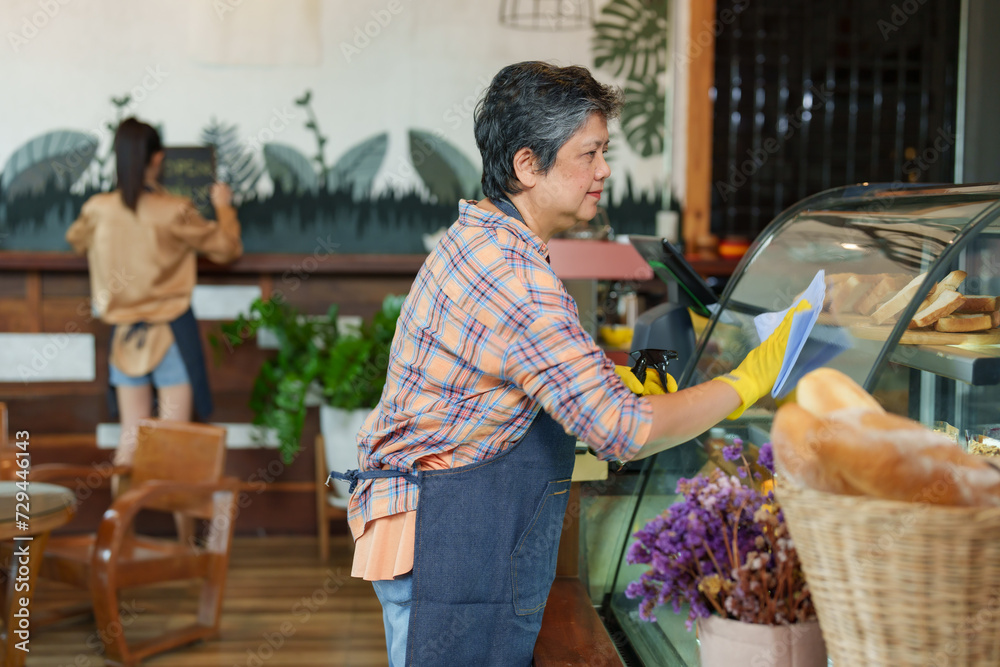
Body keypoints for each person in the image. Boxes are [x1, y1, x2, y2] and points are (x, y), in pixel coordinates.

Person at [333, 62, 809, 667]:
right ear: (528, 165)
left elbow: (520, 379)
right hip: (449, 545)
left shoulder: (483, 238)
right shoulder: (514, 277)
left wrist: (614, 379)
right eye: (589, 154)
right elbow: (621, 430)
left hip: (442, 531)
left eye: (603, 151)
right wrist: (748, 381)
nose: (604, 170)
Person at [66, 117, 242, 478]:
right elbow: (227, 249)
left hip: (124, 338)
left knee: (129, 438)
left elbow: (76, 239)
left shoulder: (98, 209)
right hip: (170, 335)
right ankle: (181, 536)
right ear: (158, 158)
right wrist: (223, 205)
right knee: (172, 442)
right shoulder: (174, 209)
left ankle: (116, 529)